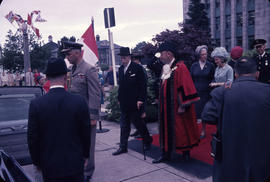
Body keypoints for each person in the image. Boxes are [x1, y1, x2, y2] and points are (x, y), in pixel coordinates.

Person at [202, 57, 270, 182]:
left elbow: (207, 116)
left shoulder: (221, 92)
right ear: (257, 74)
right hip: (263, 158)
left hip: (230, 157)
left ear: (235, 74)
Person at [27, 58, 91, 182]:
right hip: (75, 163)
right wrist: (85, 155)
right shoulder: (79, 101)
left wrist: (37, 162)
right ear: (65, 76)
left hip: (49, 166)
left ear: (47, 77)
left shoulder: (36, 104)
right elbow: (85, 133)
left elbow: (33, 138)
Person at [152, 42, 200, 164]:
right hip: (165, 107)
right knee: (165, 130)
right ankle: (166, 154)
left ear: (169, 54)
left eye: (162, 54)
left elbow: (185, 87)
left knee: (182, 130)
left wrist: (183, 105)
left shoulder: (180, 68)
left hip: (177, 107)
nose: (160, 57)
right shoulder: (165, 68)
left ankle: (186, 153)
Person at [62, 41, 100, 182]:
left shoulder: (89, 69)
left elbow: (95, 94)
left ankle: (88, 173)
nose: (67, 57)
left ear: (77, 53)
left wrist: (93, 116)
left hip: (86, 116)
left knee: (88, 145)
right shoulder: (72, 70)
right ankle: (78, 168)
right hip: (73, 116)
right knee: (76, 144)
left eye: (68, 54)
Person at [112, 47, 153, 156]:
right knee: (124, 125)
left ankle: (147, 140)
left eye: (124, 57)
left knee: (139, 124)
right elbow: (121, 86)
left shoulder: (137, 68)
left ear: (129, 57)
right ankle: (123, 146)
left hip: (135, 102)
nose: (122, 60)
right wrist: (119, 98)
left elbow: (142, 86)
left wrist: (140, 99)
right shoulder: (121, 69)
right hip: (125, 103)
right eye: (121, 58)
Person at [190, 45, 215, 139]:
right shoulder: (194, 66)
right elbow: (190, 79)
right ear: (199, 55)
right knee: (195, 113)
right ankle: (194, 131)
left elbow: (213, 78)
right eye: (202, 54)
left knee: (204, 113)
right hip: (195, 93)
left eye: (206, 54)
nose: (205, 56)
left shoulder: (211, 65)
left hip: (206, 93)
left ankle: (203, 131)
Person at [130, 51, 147, 138]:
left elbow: (143, 83)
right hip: (134, 95)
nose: (133, 61)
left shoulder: (141, 69)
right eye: (133, 59)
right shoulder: (133, 68)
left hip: (140, 95)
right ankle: (138, 130)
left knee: (141, 113)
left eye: (135, 59)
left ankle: (143, 132)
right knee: (136, 114)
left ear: (138, 60)